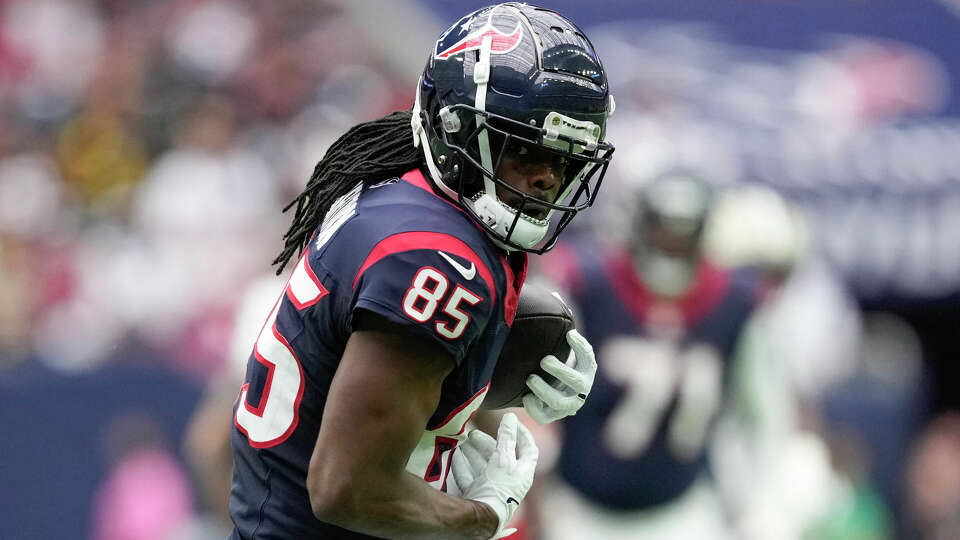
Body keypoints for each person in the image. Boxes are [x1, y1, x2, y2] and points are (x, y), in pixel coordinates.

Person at [228, 3, 614, 539]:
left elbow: (370, 368)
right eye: (524, 148)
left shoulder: (403, 187)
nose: (548, 177)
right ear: (453, 127)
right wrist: (486, 515)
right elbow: (347, 488)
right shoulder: (438, 263)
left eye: (566, 157)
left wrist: (497, 372)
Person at [532, 173, 765, 540]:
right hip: (580, 505)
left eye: (682, 237)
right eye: (663, 231)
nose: (671, 246)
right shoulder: (588, 286)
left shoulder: (734, 303)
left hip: (683, 507)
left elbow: (761, 412)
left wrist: (749, 501)